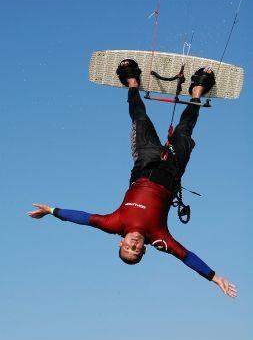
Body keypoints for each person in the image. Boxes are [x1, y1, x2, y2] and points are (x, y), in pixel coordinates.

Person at [28, 59, 237, 298]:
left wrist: (52, 211)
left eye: (128, 247)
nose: (134, 244)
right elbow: (186, 256)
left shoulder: (114, 223)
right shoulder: (159, 238)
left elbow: (83, 218)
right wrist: (214, 277)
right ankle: (197, 91)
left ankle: (132, 83)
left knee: (139, 119)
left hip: (144, 165)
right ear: (144, 251)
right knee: (184, 131)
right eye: (136, 250)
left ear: (121, 243)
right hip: (171, 172)